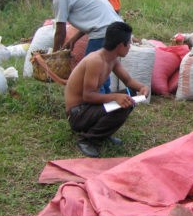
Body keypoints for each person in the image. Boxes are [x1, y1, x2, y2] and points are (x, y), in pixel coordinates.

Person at [64, 22, 150, 157]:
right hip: (77, 113)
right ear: (121, 45)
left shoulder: (112, 59)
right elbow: (88, 96)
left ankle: (103, 134)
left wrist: (142, 87)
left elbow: (127, 81)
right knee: (122, 105)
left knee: (130, 95)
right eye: (129, 43)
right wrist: (115, 97)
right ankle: (87, 140)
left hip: (89, 107)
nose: (130, 47)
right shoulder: (95, 60)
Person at [39, 0, 122, 94]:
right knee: (102, 70)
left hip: (102, 32)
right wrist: (74, 39)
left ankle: (99, 107)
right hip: (116, 28)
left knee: (91, 71)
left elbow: (60, 31)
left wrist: (54, 56)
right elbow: (92, 18)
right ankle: (107, 102)